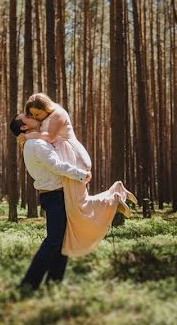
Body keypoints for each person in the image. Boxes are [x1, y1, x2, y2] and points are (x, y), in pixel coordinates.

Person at [21, 92, 137, 258]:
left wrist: (29, 135)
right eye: (32, 114)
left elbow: (51, 137)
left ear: (46, 108)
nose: (35, 117)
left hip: (74, 158)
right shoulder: (45, 119)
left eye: (37, 113)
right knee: (76, 207)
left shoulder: (58, 113)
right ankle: (114, 194)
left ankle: (114, 197)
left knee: (78, 206)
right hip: (67, 160)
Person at [9, 113, 91, 292]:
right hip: (55, 196)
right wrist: (82, 174)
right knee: (54, 241)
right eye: (28, 116)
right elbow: (56, 165)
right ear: (24, 127)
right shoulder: (37, 144)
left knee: (61, 241)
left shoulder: (37, 140)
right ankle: (28, 285)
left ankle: (53, 283)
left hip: (56, 195)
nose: (32, 116)